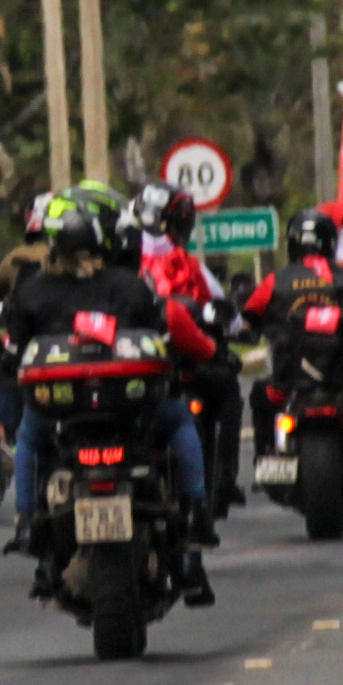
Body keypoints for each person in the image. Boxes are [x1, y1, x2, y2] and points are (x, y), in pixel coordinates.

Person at [2, 206, 216, 603]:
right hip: (132, 407)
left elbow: (12, 351)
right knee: (180, 421)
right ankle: (194, 509)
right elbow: (163, 334)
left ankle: (28, 521)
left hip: (61, 412)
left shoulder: (32, 292)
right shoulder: (130, 286)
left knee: (29, 437)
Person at [241, 208, 343, 484]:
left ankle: (265, 459)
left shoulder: (273, 281)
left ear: (292, 243)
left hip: (288, 379)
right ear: (330, 242)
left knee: (259, 397)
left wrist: (246, 329)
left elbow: (248, 317)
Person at [129, 184, 241, 530]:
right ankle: (221, 486)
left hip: (123, 374)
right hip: (178, 363)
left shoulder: (114, 265)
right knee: (228, 395)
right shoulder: (186, 265)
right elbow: (230, 319)